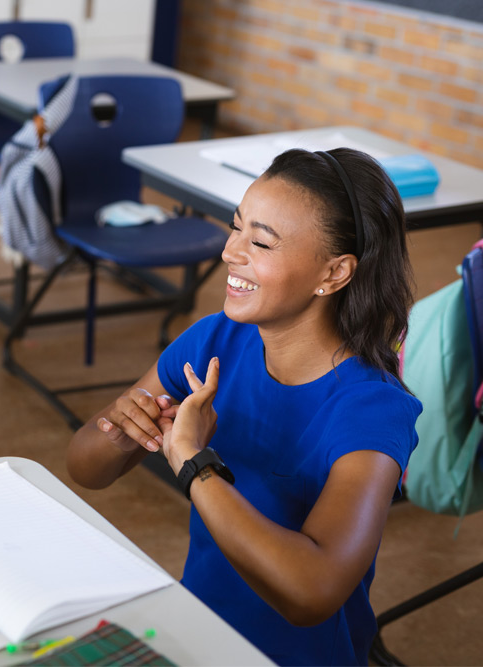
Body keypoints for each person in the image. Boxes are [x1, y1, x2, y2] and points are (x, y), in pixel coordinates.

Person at [66, 148, 422, 666]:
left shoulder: (372, 410)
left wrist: (194, 462)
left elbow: (312, 591)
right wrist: (121, 430)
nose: (232, 251)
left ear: (336, 272)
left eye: (259, 241)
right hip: (198, 637)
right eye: (236, 228)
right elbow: (84, 467)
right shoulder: (214, 340)